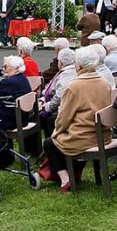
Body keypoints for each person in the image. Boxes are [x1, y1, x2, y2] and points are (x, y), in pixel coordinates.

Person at [42, 46, 111, 192]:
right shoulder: (104, 82)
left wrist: (57, 132)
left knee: (50, 143)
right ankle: (74, 172)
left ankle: (66, 178)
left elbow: (63, 118)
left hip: (83, 138)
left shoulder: (75, 86)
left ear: (78, 65)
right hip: (104, 135)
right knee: (58, 139)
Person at [0, 56, 32, 131]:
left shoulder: (8, 82)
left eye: (5, 67)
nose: (3, 69)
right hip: (23, 118)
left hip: (10, 121)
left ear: (16, 68)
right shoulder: (23, 79)